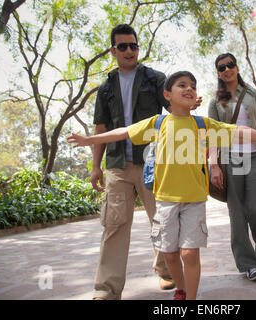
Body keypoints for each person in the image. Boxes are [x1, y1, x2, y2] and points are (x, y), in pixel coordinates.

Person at [68, 71, 256, 300]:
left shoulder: (203, 125)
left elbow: (242, 132)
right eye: (182, 85)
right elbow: (124, 132)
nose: (189, 88)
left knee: (190, 254)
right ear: (167, 95)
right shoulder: (158, 123)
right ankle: (180, 288)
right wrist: (90, 140)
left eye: (192, 85)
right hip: (164, 201)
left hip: (194, 201)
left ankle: (189, 298)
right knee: (170, 256)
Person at [89, 24, 179, 300]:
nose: (130, 50)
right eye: (123, 46)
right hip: (117, 165)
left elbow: (175, 110)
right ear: (113, 50)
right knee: (114, 226)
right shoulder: (104, 89)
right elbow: (100, 129)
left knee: (161, 221)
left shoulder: (156, 79)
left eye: (133, 45)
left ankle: (166, 271)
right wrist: (95, 166)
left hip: (153, 163)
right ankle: (106, 290)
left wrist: (188, 101)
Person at [208, 53, 256, 281]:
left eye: (230, 65)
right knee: (237, 213)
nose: (227, 70)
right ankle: (247, 263)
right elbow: (212, 135)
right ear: (218, 73)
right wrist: (214, 165)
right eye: (221, 68)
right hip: (231, 158)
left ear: (237, 67)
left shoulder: (252, 94)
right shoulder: (215, 101)